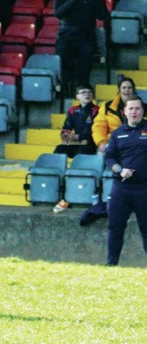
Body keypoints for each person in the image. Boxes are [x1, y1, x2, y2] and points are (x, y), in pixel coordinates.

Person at [104, 96, 147, 266]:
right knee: (115, 227)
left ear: (142, 111)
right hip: (121, 188)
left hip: (144, 189)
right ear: (124, 111)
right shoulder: (117, 133)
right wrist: (120, 169)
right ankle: (111, 265)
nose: (134, 112)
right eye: (131, 108)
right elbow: (109, 158)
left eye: (137, 108)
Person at [54, 0, 109, 95]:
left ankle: (82, 88)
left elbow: (103, 16)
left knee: (85, 62)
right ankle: (64, 87)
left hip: (87, 37)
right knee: (63, 61)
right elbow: (58, 13)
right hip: (66, 35)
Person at [92, 76, 137, 154]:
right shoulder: (107, 106)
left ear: (133, 90)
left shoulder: (141, 107)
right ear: (119, 90)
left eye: (129, 88)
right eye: (124, 88)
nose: (126, 90)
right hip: (113, 142)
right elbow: (99, 126)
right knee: (101, 153)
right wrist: (102, 142)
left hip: (134, 143)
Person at [54, 84, 99, 158]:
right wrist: (65, 135)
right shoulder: (73, 110)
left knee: (82, 150)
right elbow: (67, 126)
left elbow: (95, 130)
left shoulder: (97, 110)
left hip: (91, 141)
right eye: (83, 92)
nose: (87, 94)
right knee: (60, 149)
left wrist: (78, 136)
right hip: (77, 141)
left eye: (89, 92)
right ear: (77, 96)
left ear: (93, 95)